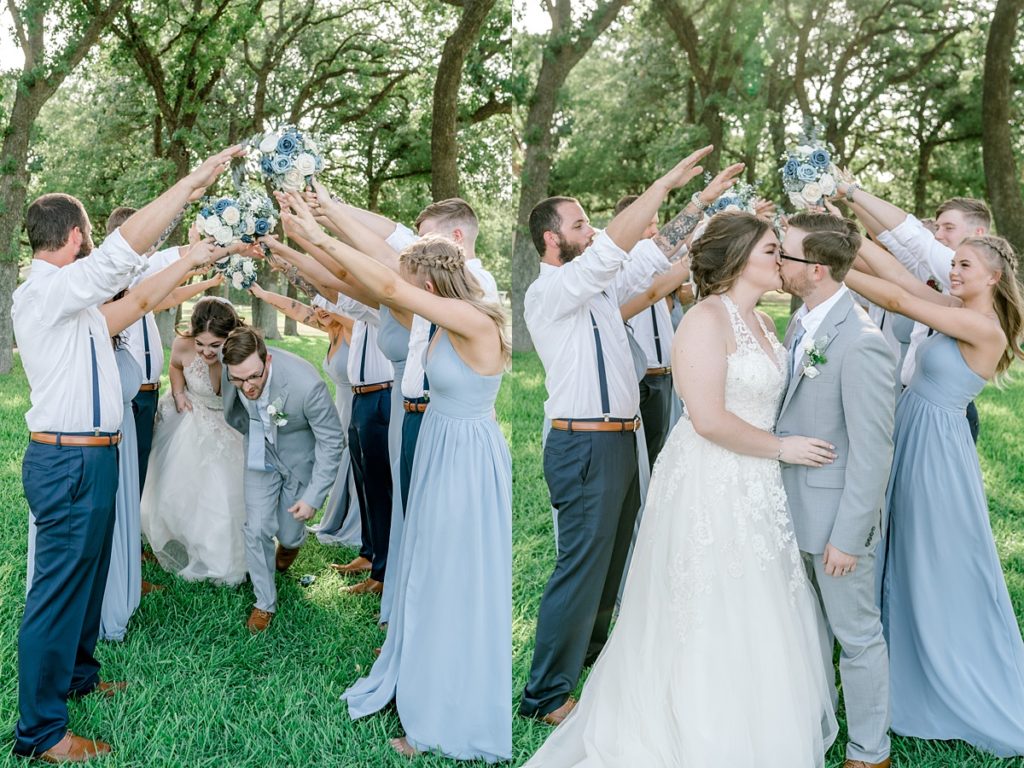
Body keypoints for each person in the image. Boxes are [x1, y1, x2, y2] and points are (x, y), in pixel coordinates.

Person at [524, 211, 839, 767]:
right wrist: (783, 449)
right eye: (772, 251)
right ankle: (695, 724)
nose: (782, 262)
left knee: (762, 598)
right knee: (708, 597)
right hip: (712, 479)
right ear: (741, 260)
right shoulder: (703, 321)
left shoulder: (768, 325)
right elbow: (709, 419)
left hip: (760, 483)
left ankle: (758, 718)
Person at [11, 145, 239, 763]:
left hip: (95, 458)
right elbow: (123, 261)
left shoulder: (73, 306)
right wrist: (190, 184)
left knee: (85, 581)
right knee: (56, 593)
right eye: (91, 243)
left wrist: (193, 260)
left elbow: (138, 301)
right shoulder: (45, 294)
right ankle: (40, 733)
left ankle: (80, 677)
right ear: (78, 237)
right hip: (67, 462)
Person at [275, 191, 512, 762]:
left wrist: (323, 226)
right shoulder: (433, 318)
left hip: (467, 459)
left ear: (428, 284)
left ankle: (449, 713)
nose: (400, 285)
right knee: (428, 572)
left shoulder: (474, 321)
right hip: (436, 448)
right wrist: (312, 231)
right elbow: (371, 282)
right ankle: (421, 686)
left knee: (452, 577)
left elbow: (384, 285)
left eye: (409, 278)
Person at [519, 146, 735, 726]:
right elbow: (617, 247)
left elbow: (653, 254)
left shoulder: (600, 290)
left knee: (613, 561)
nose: (590, 231)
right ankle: (544, 695)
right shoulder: (550, 294)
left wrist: (701, 203)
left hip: (619, 439)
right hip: (582, 445)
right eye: (579, 223)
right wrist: (661, 185)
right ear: (550, 240)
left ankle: (585, 662)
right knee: (581, 564)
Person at [844, 232, 1024, 757]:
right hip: (916, 433)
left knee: (933, 556)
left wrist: (827, 267)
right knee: (906, 551)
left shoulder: (981, 326)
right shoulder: (955, 305)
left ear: (993, 276)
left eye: (965, 265)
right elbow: (900, 279)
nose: (955, 271)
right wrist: (850, 239)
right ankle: (902, 664)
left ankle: (948, 668)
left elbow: (899, 300)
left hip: (938, 453)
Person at [776, 213, 897, 768]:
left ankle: (870, 751)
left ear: (816, 269)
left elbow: (873, 453)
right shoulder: (798, 324)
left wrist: (849, 536)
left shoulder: (863, 343)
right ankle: (817, 730)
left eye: (784, 254)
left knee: (856, 636)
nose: (775, 260)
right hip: (791, 510)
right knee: (808, 635)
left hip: (835, 524)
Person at [835, 182, 990, 440]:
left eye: (948, 228)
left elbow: (913, 246)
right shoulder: (949, 290)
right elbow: (895, 263)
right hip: (912, 403)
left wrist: (853, 192)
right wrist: (843, 221)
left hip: (941, 420)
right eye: (937, 227)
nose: (938, 235)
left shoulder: (972, 311)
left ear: (979, 234)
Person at [222, 326, 343, 632]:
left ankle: (291, 544)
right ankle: (264, 603)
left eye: (254, 377)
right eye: (238, 379)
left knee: (288, 534)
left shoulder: (307, 386)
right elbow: (234, 409)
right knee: (257, 526)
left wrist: (314, 497)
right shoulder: (232, 374)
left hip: (297, 459)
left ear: (268, 360)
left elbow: (332, 442)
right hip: (259, 455)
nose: (247, 386)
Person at [140, 297, 249, 586]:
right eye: (201, 343)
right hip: (192, 414)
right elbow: (176, 365)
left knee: (226, 490)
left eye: (215, 345)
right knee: (179, 487)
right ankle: (182, 543)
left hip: (227, 422)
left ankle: (224, 557)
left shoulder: (242, 351)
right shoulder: (182, 346)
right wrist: (178, 393)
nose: (206, 351)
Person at [248, 280, 361, 548]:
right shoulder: (332, 328)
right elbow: (296, 310)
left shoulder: (355, 329)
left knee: (353, 465)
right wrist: (264, 294)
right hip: (342, 406)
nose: (317, 311)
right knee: (341, 461)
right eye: (315, 305)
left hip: (359, 406)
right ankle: (340, 518)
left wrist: (327, 303)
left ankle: (356, 526)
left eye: (325, 305)